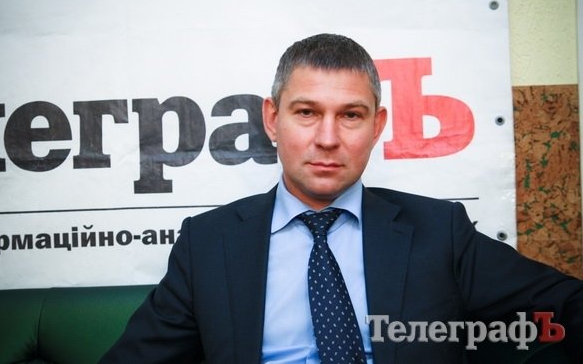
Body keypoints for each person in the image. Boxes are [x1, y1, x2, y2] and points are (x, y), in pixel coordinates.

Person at [100, 33, 583, 364]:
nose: (328, 139)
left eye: (351, 115)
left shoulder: (440, 232)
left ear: (377, 125)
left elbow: (567, 305)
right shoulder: (209, 243)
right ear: (272, 120)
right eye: (307, 112)